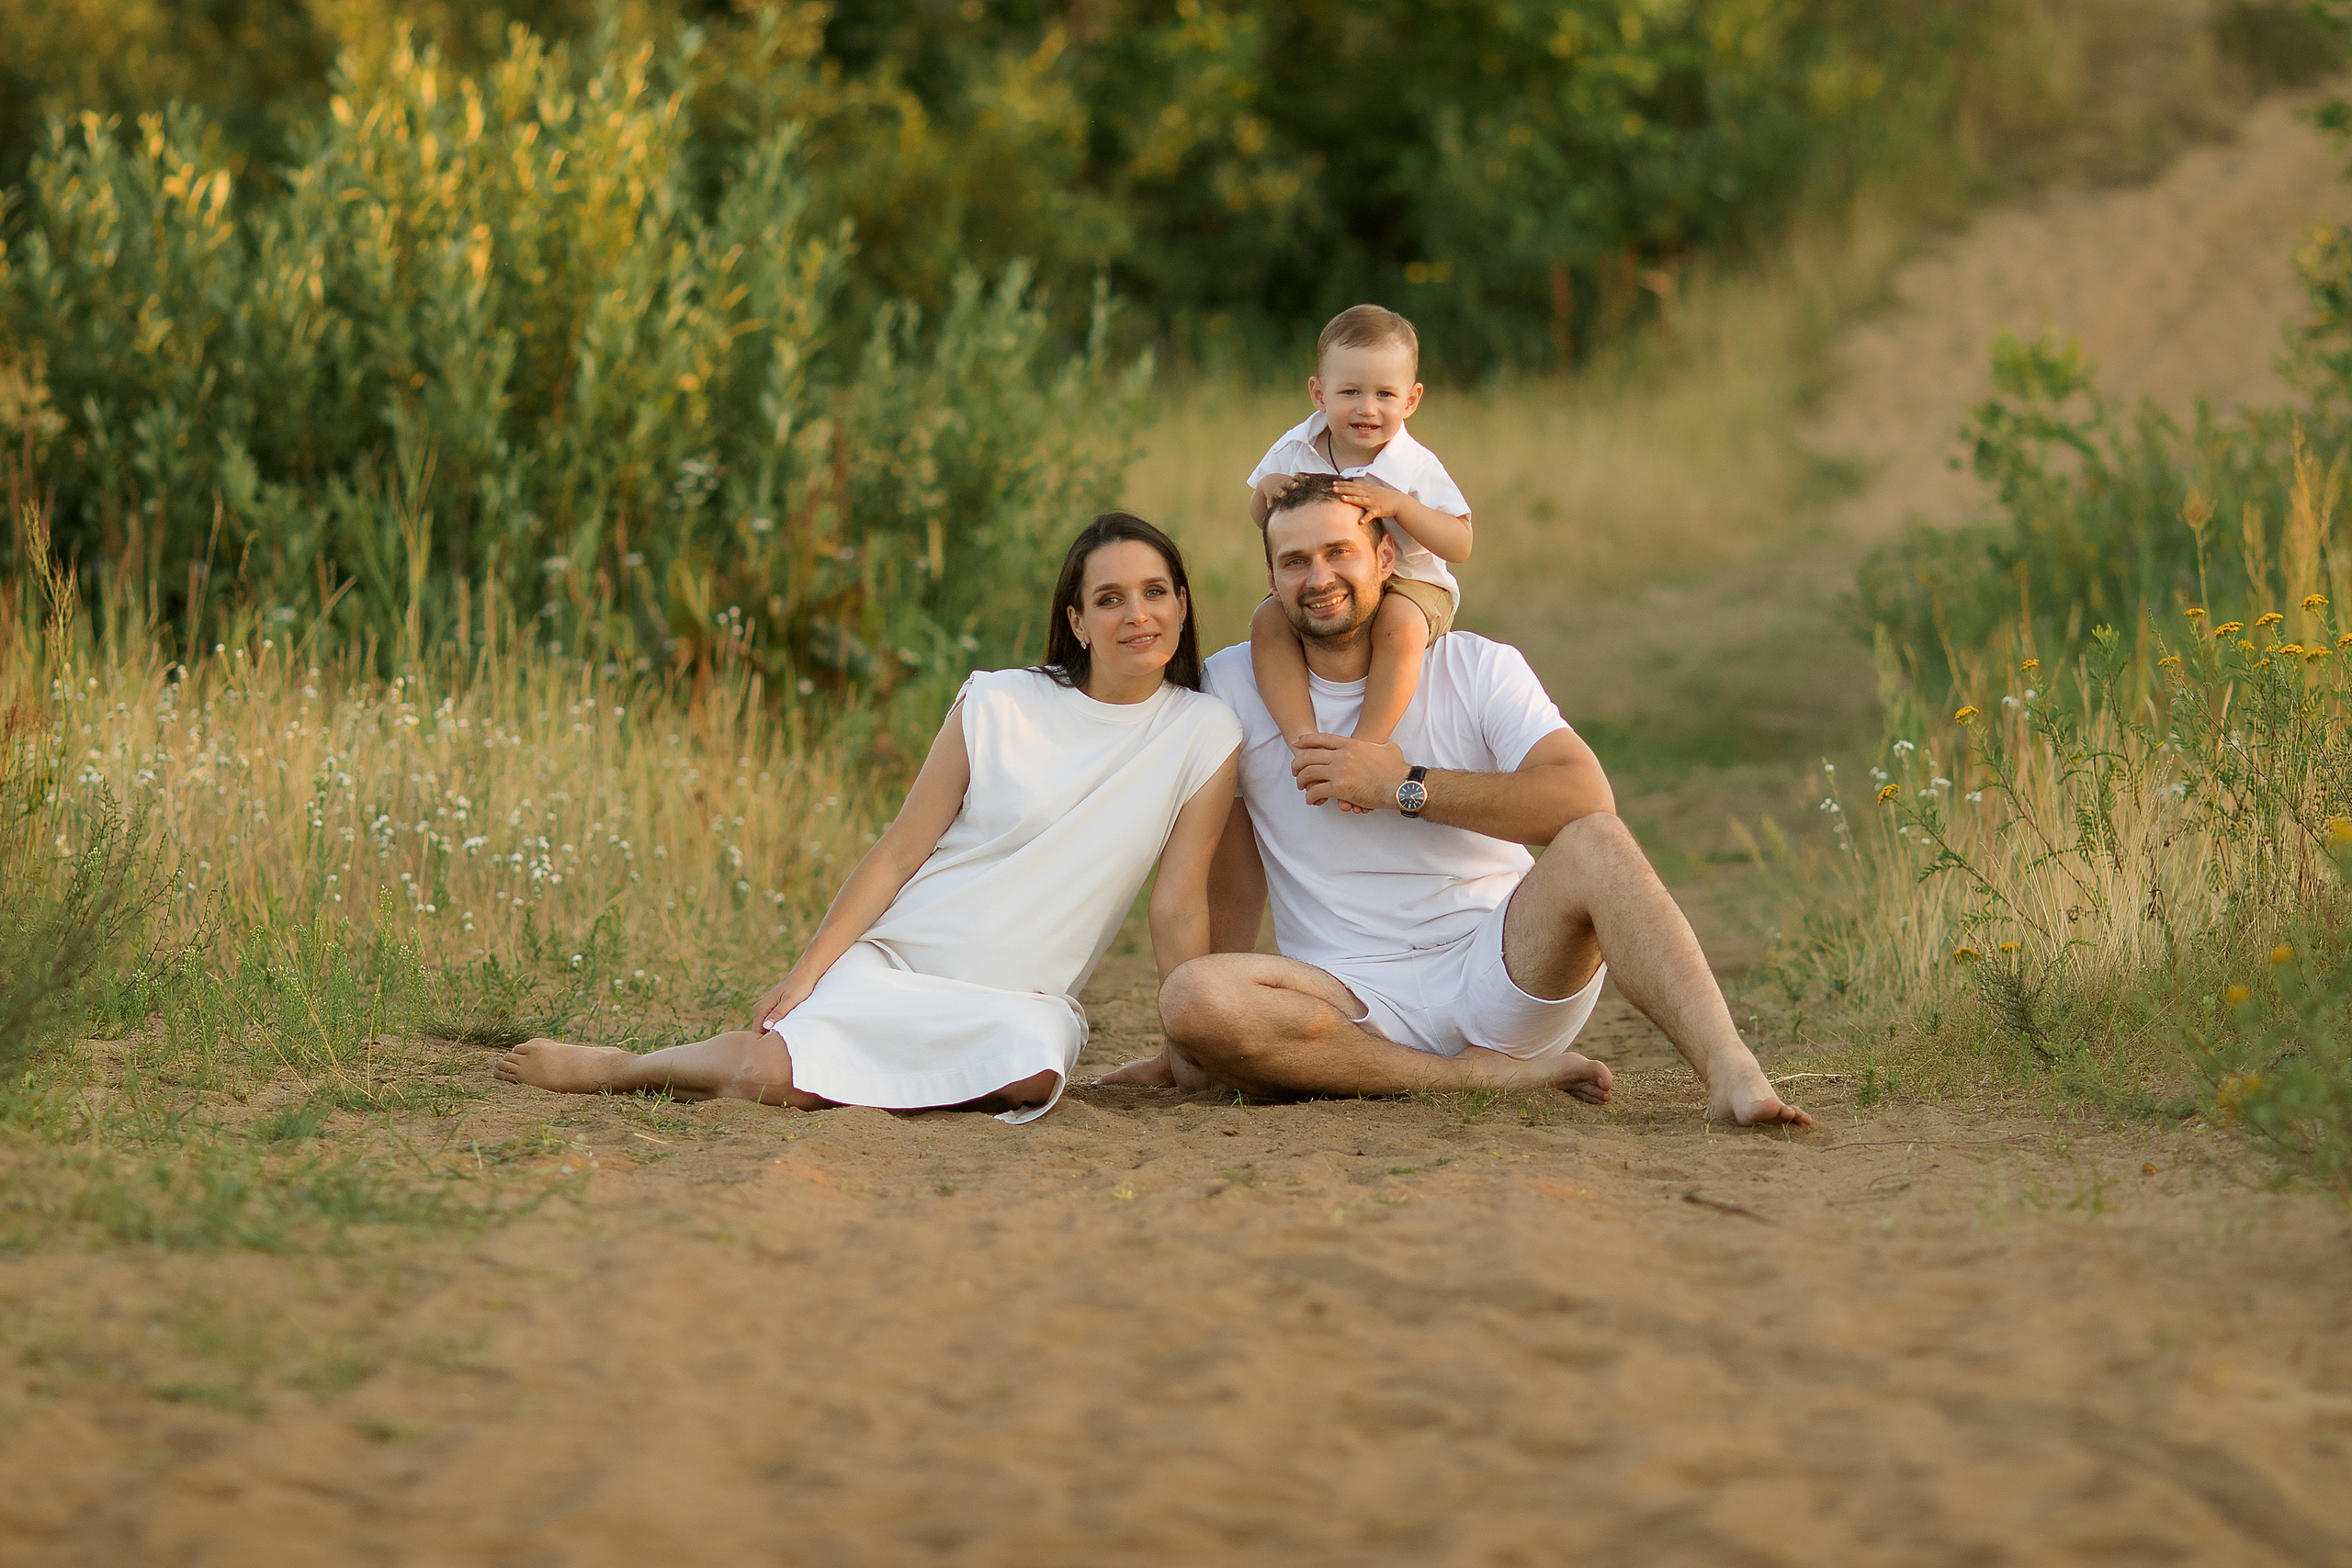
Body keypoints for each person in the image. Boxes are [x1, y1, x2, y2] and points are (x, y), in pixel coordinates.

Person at [1103, 476, 1808, 1127]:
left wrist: (1403, 785)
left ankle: (1729, 1067)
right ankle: (1472, 1080)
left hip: (1502, 966)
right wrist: (1193, 1046)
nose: (1319, 578)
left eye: (1339, 552)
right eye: (1295, 561)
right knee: (1192, 996)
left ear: (1384, 556)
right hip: (1346, 1002)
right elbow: (1231, 873)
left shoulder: (1475, 665)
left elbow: (1583, 796)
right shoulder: (1229, 685)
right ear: (1270, 579)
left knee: (1597, 840)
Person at [496, 513, 1244, 1123]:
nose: (1137, 614)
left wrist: (1189, 1054)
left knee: (1035, 1065)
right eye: (1110, 598)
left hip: (1018, 1002)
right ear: (1077, 620)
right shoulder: (1000, 702)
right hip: (904, 961)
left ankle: (854, 1068)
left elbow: (1177, 903)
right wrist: (806, 973)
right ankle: (623, 1070)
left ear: (1182, 602)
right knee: (760, 1073)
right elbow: (898, 852)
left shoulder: (1203, 731)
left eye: (1155, 592)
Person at [1247, 304, 1471, 784]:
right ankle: (1305, 741)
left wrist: (1400, 506)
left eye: (1384, 394)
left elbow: (1461, 542)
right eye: (1350, 392)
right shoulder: (1296, 446)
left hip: (1410, 584)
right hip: (1328, 583)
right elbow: (1259, 516)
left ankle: (1367, 745)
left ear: (1411, 400)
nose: (1367, 408)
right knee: (1267, 621)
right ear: (1318, 393)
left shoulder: (1413, 465)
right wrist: (1266, 491)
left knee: (1400, 625)